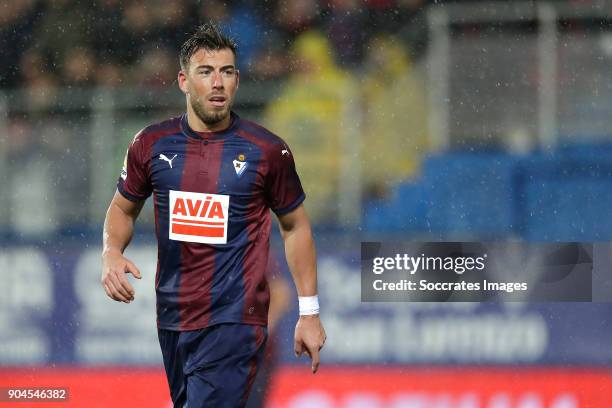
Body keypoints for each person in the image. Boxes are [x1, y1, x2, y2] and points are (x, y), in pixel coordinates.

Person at [101, 23, 326, 408]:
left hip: (235, 320)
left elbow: (295, 226)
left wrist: (309, 312)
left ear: (237, 80)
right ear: (183, 81)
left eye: (226, 72)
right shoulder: (150, 144)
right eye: (206, 72)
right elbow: (123, 207)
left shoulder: (267, 150)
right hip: (173, 317)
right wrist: (111, 251)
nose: (217, 83)